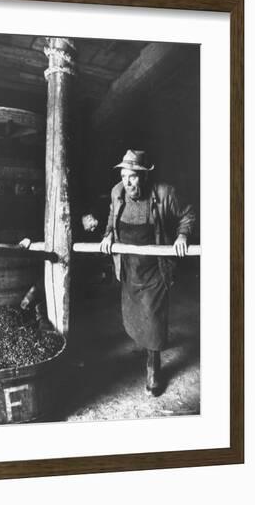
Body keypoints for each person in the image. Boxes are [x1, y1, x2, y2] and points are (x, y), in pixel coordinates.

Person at [100, 149, 195, 396]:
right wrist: (108, 234)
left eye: (132, 176)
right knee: (134, 313)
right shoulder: (117, 192)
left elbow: (188, 214)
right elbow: (111, 217)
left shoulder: (165, 193)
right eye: (123, 176)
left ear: (143, 177)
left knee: (153, 318)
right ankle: (146, 346)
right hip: (130, 266)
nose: (127, 182)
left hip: (155, 268)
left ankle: (154, 366)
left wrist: (182, 235)